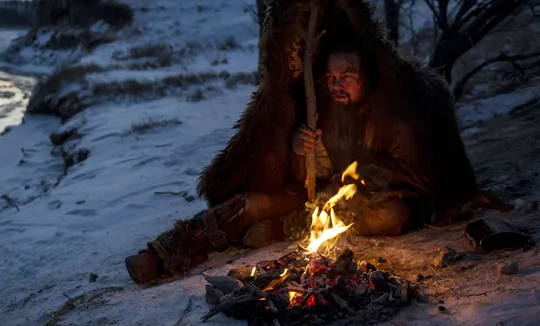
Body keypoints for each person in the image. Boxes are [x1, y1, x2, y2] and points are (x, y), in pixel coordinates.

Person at [125, 43, 458, 285]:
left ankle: (282, 227)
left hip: (376, 202)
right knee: (250, 204)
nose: (336, 84)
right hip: (318, 199)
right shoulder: (325, 109)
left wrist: (347, 185)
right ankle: (166, 252)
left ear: (366, 78)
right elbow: (302, 179)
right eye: (330, 77)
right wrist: (301, 152)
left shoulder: (395, 113)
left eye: (347, 76)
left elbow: (413, 177)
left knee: (390, 217)